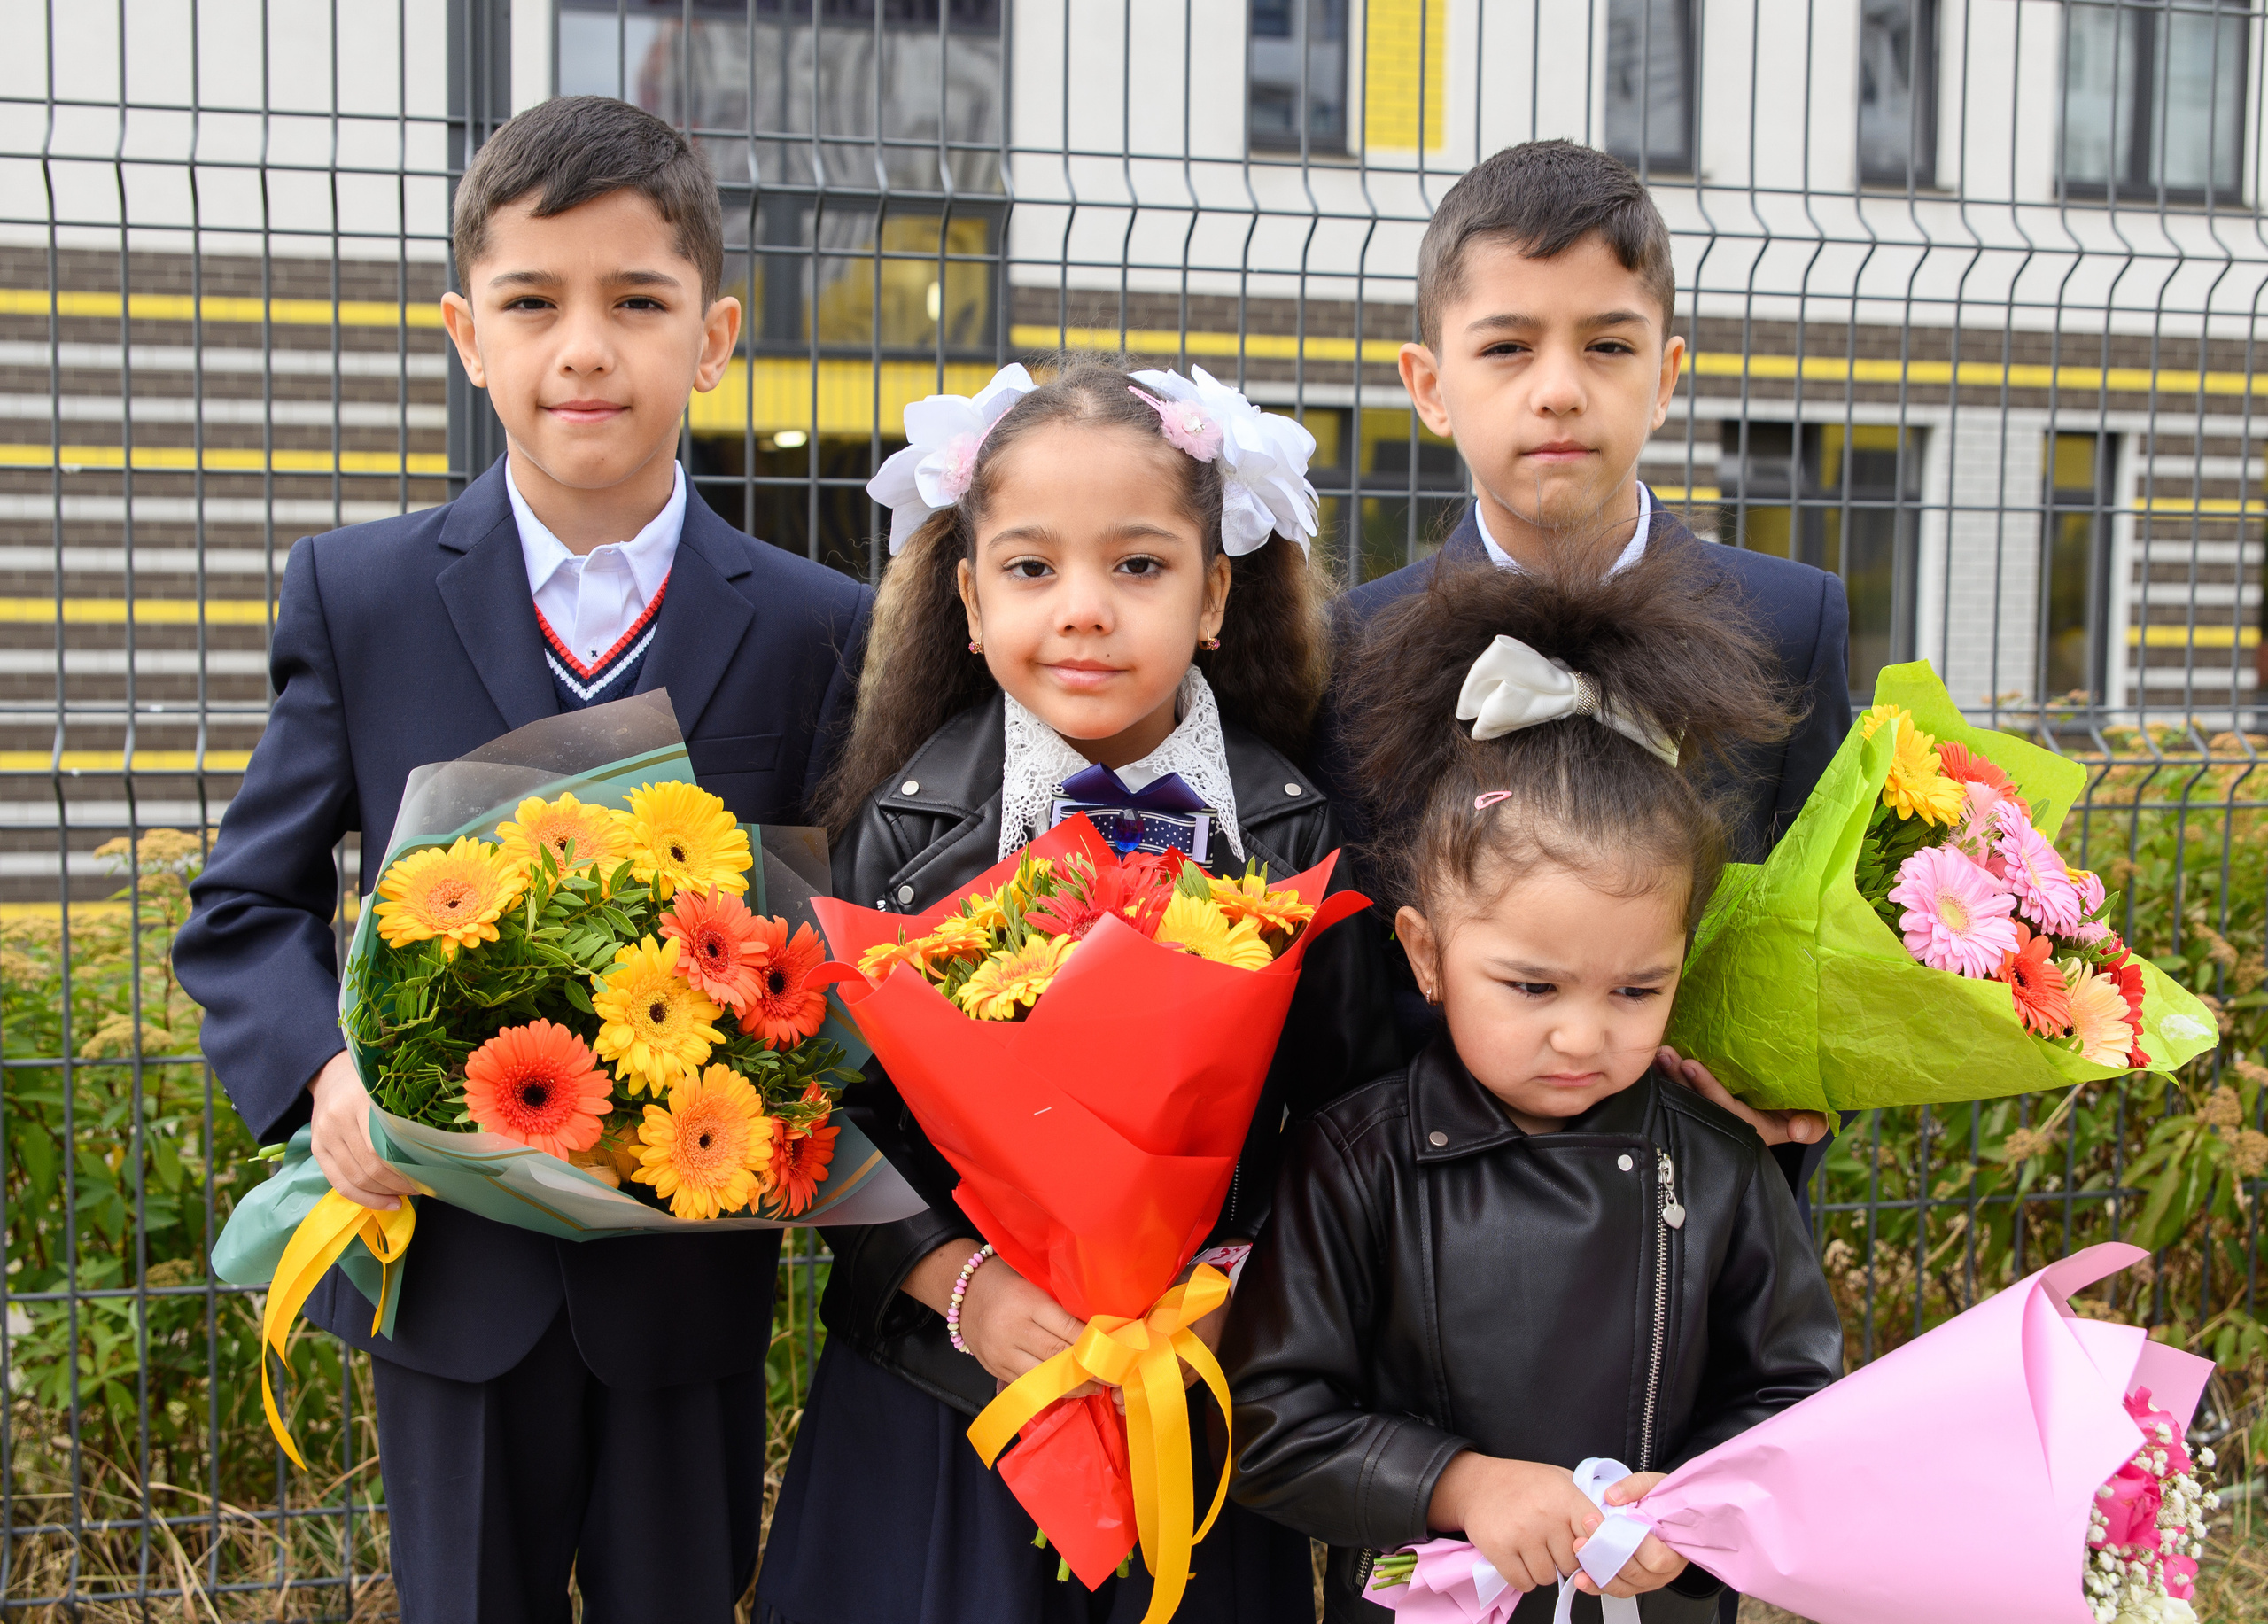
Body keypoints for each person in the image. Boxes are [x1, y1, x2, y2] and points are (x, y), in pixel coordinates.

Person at [172, 97, 868, 1623]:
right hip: (446, 1278)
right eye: (532, 302)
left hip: (687, 1286)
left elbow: (841, 940)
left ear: (715, 333)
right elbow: (244, 906)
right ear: (464, 333)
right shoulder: (360, 598)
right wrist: (326, 1082)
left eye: (638, 301)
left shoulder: (821, 623)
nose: (585, 347)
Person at [755, 356, 1395, 1624]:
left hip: (1196, 1397)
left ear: (1216, 594)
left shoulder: (1295, 834)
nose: (1084, 610)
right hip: (951, 1404)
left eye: (1139, 565)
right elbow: (826, 1119)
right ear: (970, 596)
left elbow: (1345, 1118)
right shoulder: (899, 832)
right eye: (1033, 568)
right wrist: (962, 1289)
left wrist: (1234, 1295)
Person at [1223, 548, 1845, 1622]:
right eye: (1530, 985)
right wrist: (1458, 1484)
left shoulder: (1719, 1159)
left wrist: (1695, 1515)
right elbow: (1272, 1424)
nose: (1581, 1034)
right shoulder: (1354, 1158)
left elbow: (1791, 1398)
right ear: (1424, 956)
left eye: (1636, 989)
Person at [1308, 137, 1848, 1192]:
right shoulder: (1349, 649)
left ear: (1665, 376)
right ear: (1428, 385)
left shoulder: (1790, 619)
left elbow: (1821, 937)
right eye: (1506, 348)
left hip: (1708, 1216)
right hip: (1431, 1223)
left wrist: (1806, 1096)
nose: (1557, 390)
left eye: (1607, 347)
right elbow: (1348, 1004)